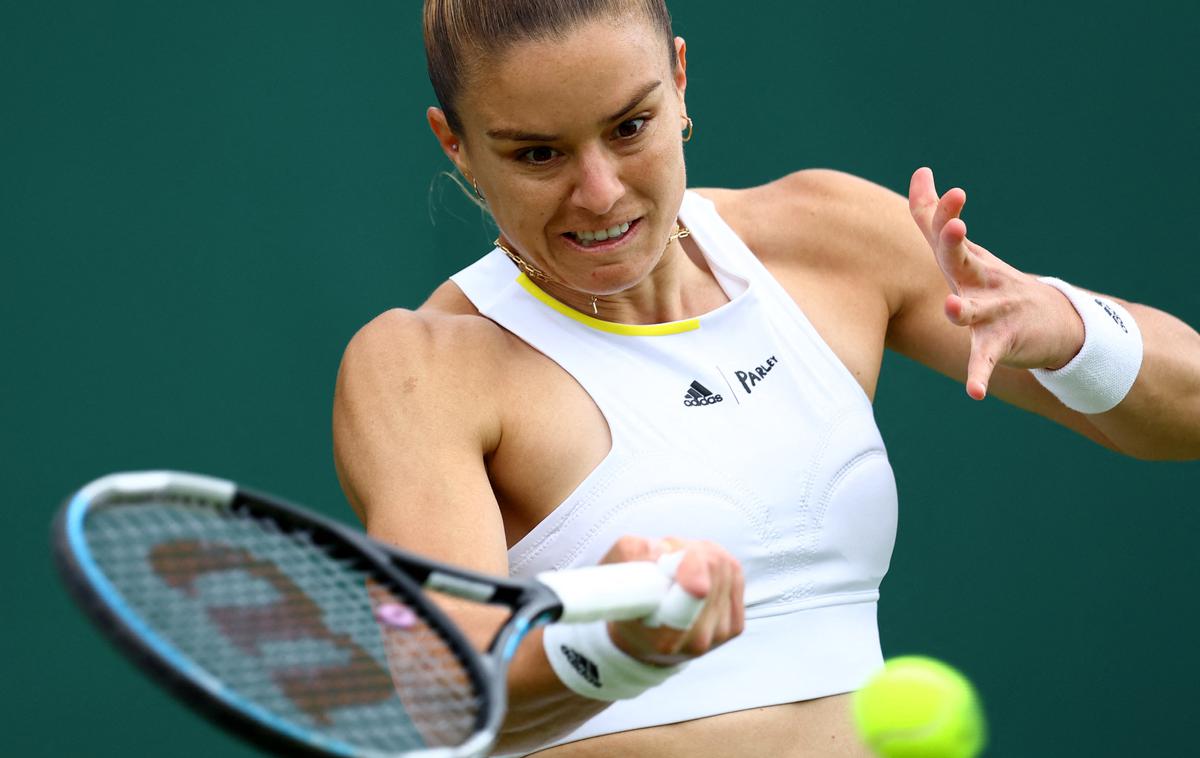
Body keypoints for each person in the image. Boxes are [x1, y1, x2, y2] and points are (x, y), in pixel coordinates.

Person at [332, 1, 1200, 755]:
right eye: (536, 155)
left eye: (630, 127)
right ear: (458, 145)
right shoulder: (422, 367)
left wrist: (1067, 329)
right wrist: (612, 646)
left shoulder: (828, 235)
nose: (598, 193)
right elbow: (445, 692)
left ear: (678, 80)